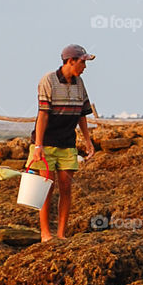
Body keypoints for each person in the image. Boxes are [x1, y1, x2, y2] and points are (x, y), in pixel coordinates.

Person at [27, 43, 96, 240]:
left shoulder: (79, 83)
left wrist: (88, 141)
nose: (84, 67)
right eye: (82, 62)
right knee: (46, 187)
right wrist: (38, 145)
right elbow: (43, 115)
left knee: (66, 187)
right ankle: (45, 233)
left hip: (68, 143)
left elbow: (82, 114)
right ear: (70, 61)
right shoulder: (48, 80)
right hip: (47, 141)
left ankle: (61, 234)